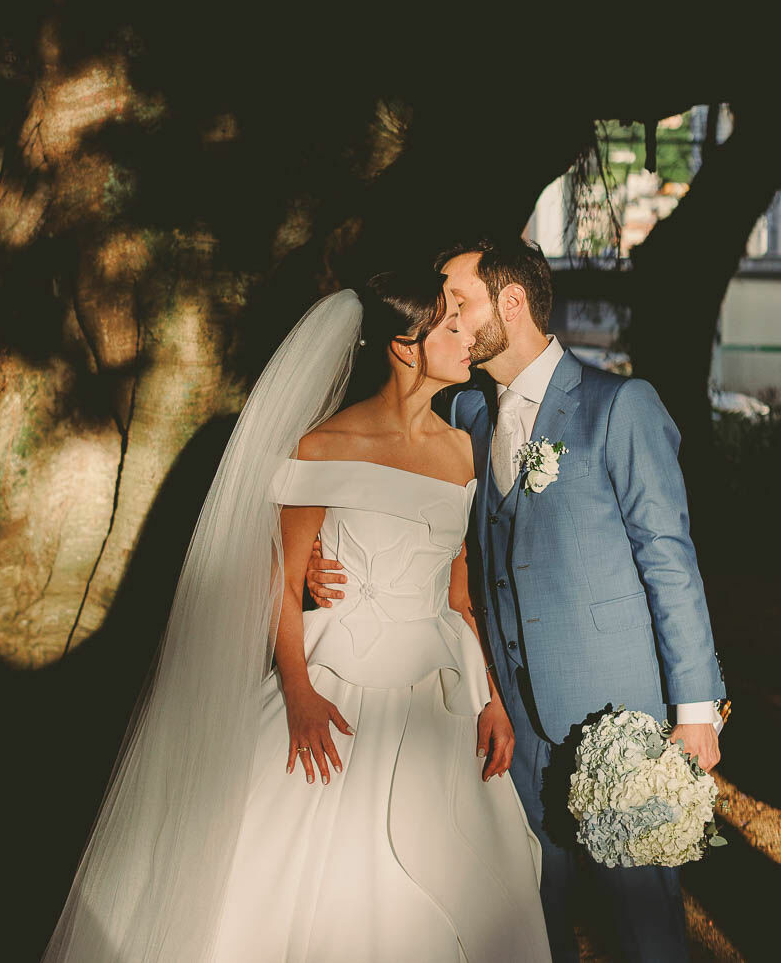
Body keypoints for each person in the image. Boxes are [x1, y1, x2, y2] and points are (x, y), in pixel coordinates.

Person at [43, 269, 551, 963]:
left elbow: (458, 595)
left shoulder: (461, 449)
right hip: (331, 684)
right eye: (453, 328)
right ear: (407, 346)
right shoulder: (324, 446)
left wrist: (489, 699)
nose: (471, 341)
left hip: (436, 696)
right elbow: (281, 585)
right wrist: (302, 694)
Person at [309, 237, 726, 963]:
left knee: (644, 928)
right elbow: (418, 511)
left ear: (511, 302)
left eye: (459, 304)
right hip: (510, 726)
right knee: (533, 922)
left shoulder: (617, 406)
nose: (449, 319)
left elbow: (671, 562)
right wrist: (325, 546)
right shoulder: (468, 415)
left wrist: (694, 713)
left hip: (620, 721)